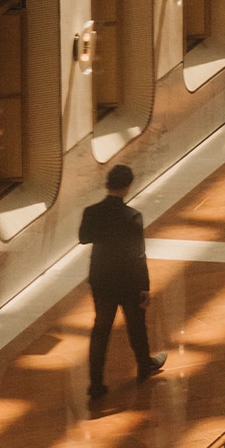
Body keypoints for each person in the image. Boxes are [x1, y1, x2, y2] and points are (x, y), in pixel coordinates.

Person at [78, 164, 166, 400]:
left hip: (101, 280)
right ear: (127, 188)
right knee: (136, 326)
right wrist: (144, 286)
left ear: (107, 185)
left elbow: (84, 238)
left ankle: (96, 383)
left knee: (101, 330)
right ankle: (144, 365)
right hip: (128, 281)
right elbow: (138, 255)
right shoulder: (133, 217)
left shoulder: (91, 212)